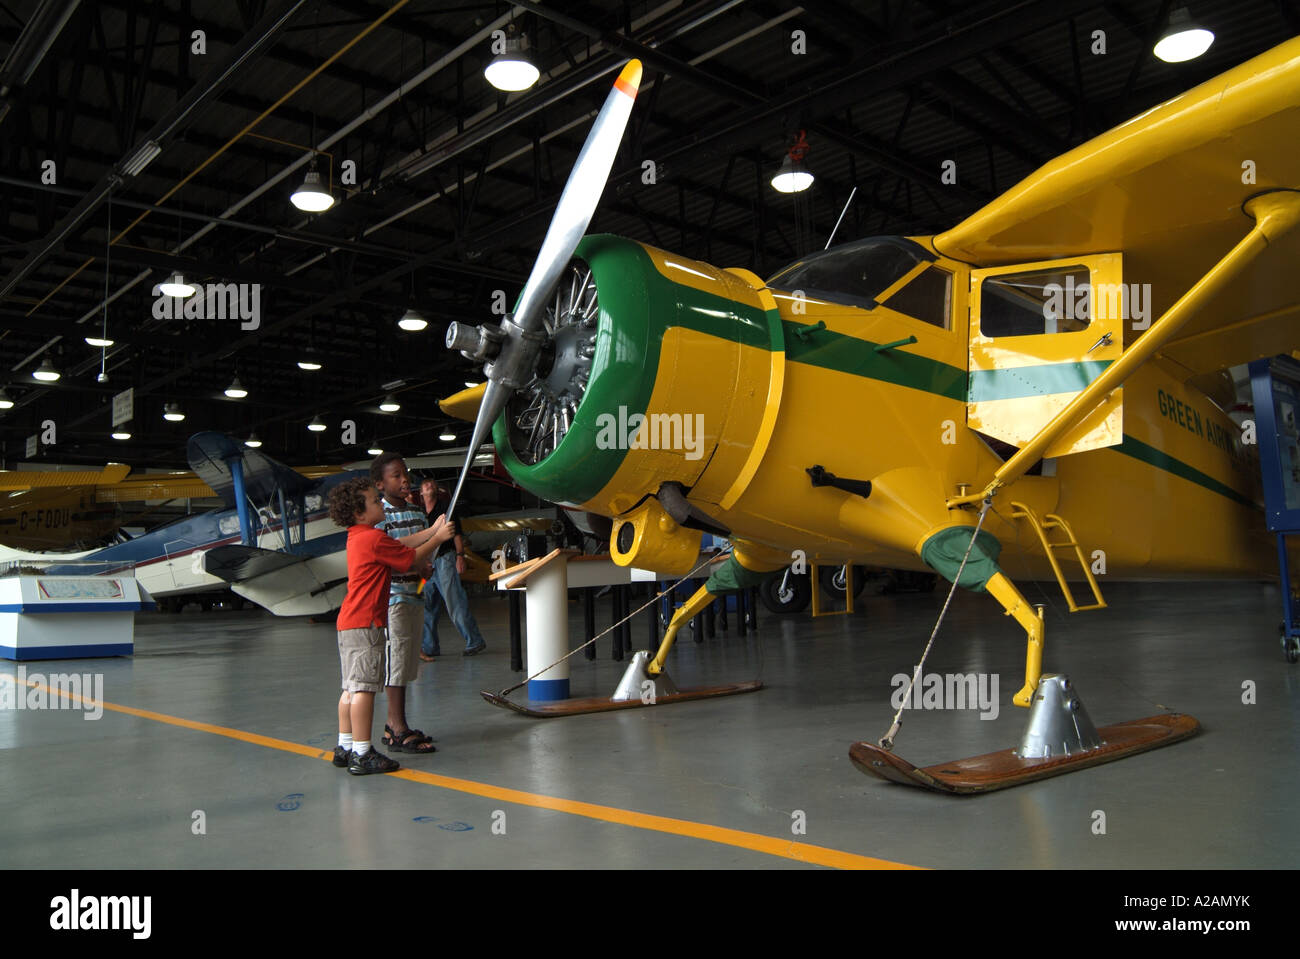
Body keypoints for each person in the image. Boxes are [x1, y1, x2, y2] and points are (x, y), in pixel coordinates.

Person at [327, 477, 452, 775]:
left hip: (349, 623)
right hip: (366, 623)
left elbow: (397, 545)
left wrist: (432, 529)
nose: (379, 503)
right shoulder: (371, 538)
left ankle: (345, 746)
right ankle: (362, 752)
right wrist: (438, 539)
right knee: (365, 689)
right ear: (359, 512)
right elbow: (407, 560)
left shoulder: (360, 536)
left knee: (350, 688)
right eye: (373, 501)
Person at [371, 452, 445, 755]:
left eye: (406, 474)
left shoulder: (416, 513)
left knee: (408, 661)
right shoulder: (380, 516)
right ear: (380, 484)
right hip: (394, 598)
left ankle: (397, 724)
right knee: (397, 661)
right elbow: (389, 556)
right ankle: (396, 726)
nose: (404, 480)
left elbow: (420, 555)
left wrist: (424, 567)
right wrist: (434, 537)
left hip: (415, 595)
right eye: (396, 476)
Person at [418, 476, 488, 659]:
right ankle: (429, 646)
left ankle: (474, 640)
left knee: (454, 601)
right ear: (421, 492)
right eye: (426, 484)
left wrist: (460, 556)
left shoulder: (446, 510)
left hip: (444, 560)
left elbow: (456, 534)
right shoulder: (420, 513)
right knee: (427, 607)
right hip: (427, 562)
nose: (430, 485)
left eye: (432, 482)